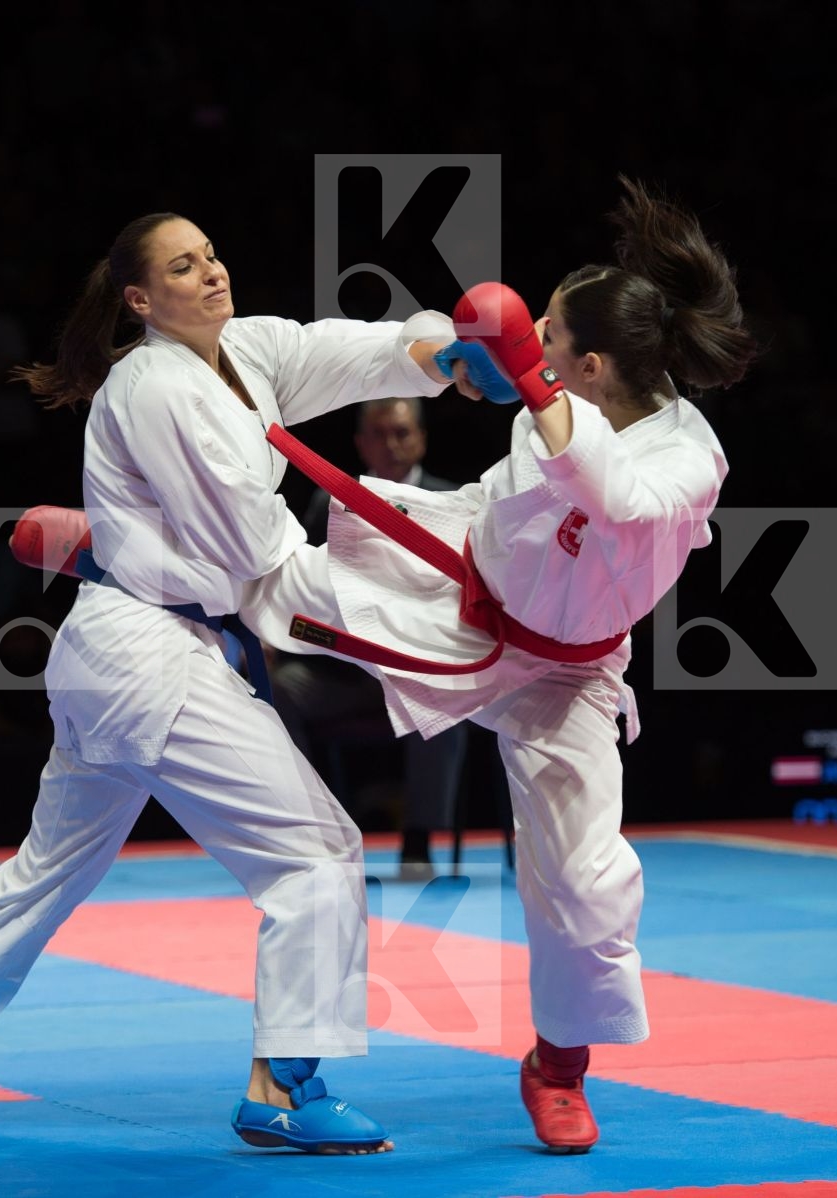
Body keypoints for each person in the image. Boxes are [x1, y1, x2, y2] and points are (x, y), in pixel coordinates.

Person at [0, 211, 481, 1154]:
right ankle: (286, 1087)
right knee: (315, 853)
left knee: (46, 872)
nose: (212, 273)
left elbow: (357, 351)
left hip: (115, 653)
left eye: (213, 254)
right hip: (151, 658)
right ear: (140, 298)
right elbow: (260, 557)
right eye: (184, 267)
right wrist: (427, 627)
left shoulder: (247, 351)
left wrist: (448, 353)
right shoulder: (153, 389)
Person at [241, 176, 755, 1152]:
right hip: (462, 589)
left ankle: (557, 1064)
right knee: (292, 584)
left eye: (552, 341)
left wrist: (524, 371)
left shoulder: (690, 459)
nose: (542, 358)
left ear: (591, 364)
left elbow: (618, 505)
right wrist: (493, 368)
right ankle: (124, 547)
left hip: (566, 675)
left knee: (587, 880)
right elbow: (519, 489)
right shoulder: (546, 404)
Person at [271, 396, 471, 879]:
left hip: (415, 669)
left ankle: (419, 841)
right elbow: (297, 585)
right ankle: (320, 833)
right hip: (340, 670)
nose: (391, 444)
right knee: (276, 690)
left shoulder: (455, 504)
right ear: (361, 444)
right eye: (379, 434)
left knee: (443, 699)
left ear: (421, 438)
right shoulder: (331, 502)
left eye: (401, 433)